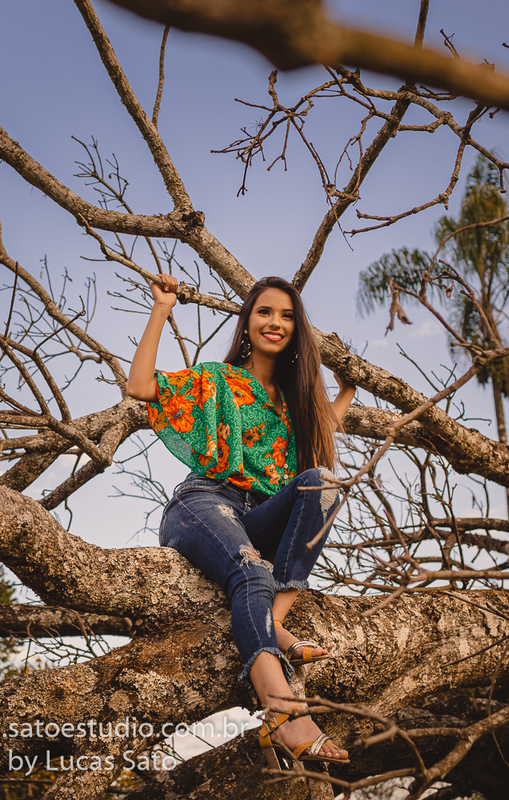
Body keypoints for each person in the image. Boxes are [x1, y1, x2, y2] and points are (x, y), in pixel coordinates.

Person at [126, 274, 356, 768]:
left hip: (256, 517)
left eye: (288, 316)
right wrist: (162, 308)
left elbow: (323, 431)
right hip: (205, 505)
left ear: (298, 330)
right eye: (265, 312)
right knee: (252, 571)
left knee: (328, 484)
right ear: (247, 322)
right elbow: (141, 386)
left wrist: (348, 390)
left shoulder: (296, 404)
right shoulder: (218, 378)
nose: (276, 322)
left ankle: (269, 620)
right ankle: (284, 709)